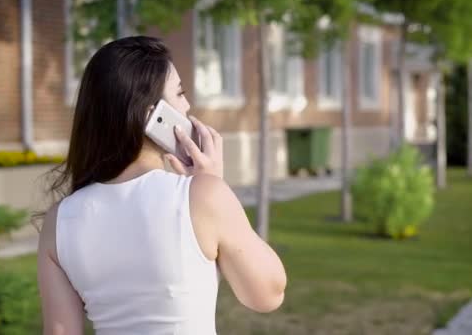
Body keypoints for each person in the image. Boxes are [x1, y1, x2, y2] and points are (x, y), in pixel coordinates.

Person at [37, 36, 286, 335]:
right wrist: (214, 186)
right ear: (152, 116)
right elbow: (268, 294)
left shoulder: (59, 221)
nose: (188, 104)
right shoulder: (201, 196)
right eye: (180, 93)